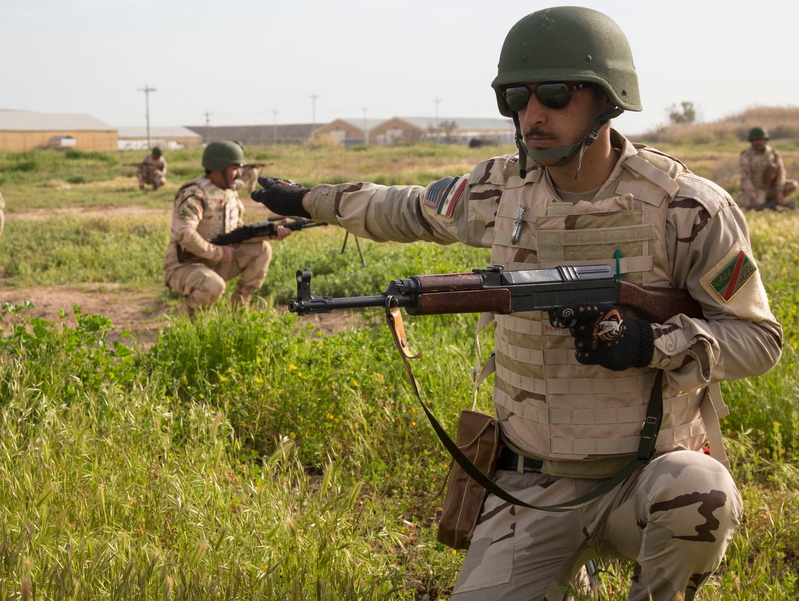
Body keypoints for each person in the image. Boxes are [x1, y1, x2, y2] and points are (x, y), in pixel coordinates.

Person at [252, 7, 782, 600]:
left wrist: (650, 345)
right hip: (532, 484)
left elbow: (760, 341)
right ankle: (564, 570)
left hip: (648, 476)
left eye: (555, 94)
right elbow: (402, 207)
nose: (533, 114)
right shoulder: (499, 191)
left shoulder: (686, 208)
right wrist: (309, 200)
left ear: (608, 100)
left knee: (701, 492)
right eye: (516, 98)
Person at [163, 140, 290, 315]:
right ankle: (184, 323)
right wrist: (218, 253)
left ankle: (238, 310)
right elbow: (184, 233)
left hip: (212, 262)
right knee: (213, 285)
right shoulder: (195, 195)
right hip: (184, 266)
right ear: (218, 168)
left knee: (262, 250)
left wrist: (270, 232)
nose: (239, 174)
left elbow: (236, 232)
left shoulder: (230, 194)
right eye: (235, 168)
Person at [737, 126, 797, 211]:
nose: (758, 142)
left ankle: (773, 201)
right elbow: (745, 178)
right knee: (759, 205)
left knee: (792, 185)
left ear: (765, 140)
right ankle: (745, 199)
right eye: (756, 140)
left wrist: (779, 191)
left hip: (771, 187)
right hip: (757, 189)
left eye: (761, 140)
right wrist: (753, 196)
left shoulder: (773, 153)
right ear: (752, 141)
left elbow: (781, 172)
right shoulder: (746, 156)